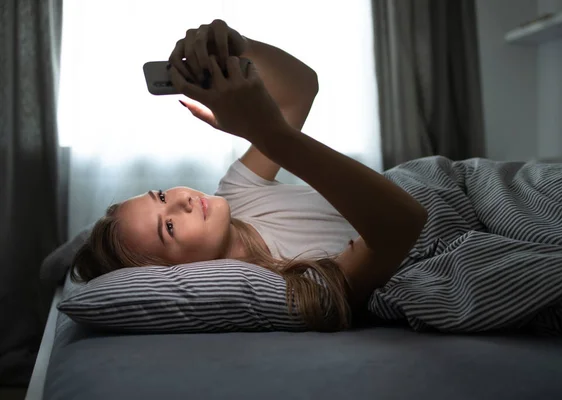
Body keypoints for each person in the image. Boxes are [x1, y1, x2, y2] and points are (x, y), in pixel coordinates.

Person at [71, 19, 428, 331]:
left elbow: (302, 88)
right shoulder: (295, 287)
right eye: (169, 227)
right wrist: (266, 133)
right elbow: (404, 223)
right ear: (178, 273)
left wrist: (238, 47)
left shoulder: (236, 193)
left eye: (162, 195)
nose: (182, 201)